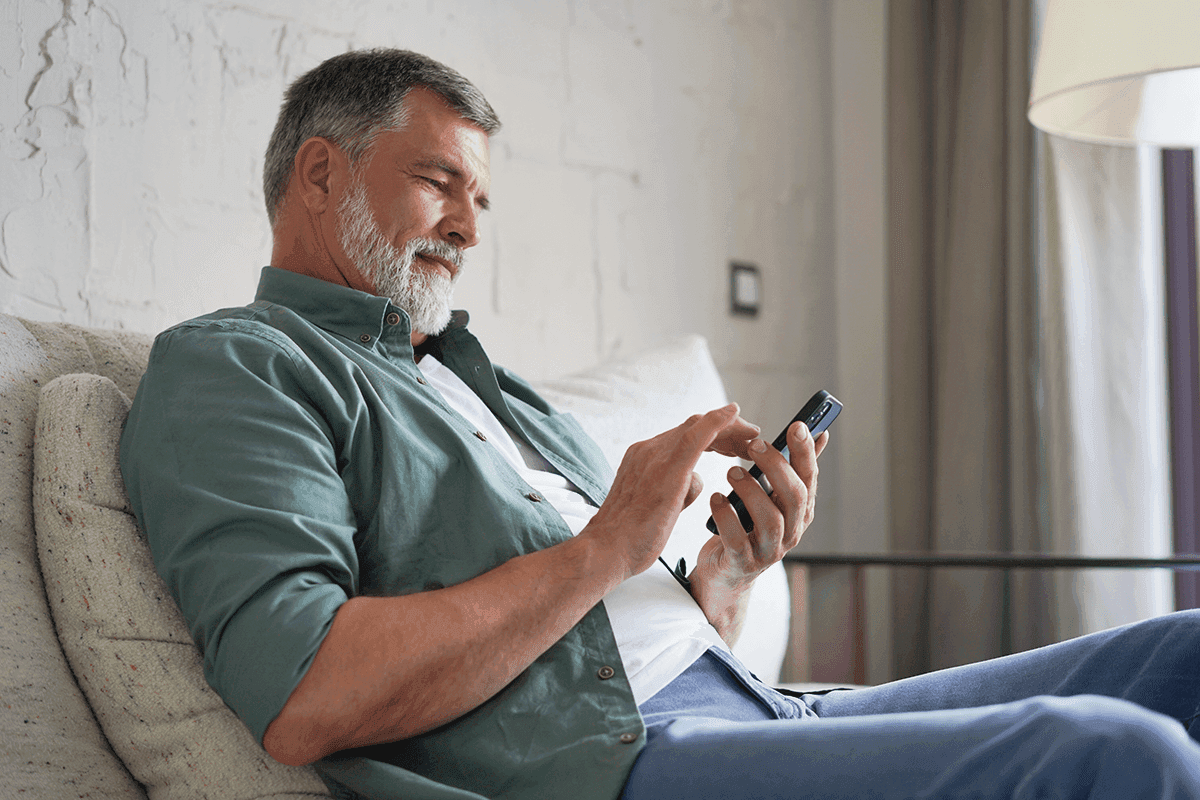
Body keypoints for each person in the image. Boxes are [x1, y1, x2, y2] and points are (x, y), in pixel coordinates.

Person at [120, 48, 1200, 800]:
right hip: (616, 768)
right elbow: (303, 691)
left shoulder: (484, 385)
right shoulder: (241, 363)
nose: (465, 227)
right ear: (320, 172)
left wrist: (725, 573)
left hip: (757, 707)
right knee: (1110, 750)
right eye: (440, 182)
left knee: (1183, 653)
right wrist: (606, 544)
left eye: (480, 201)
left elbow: (625, 631)